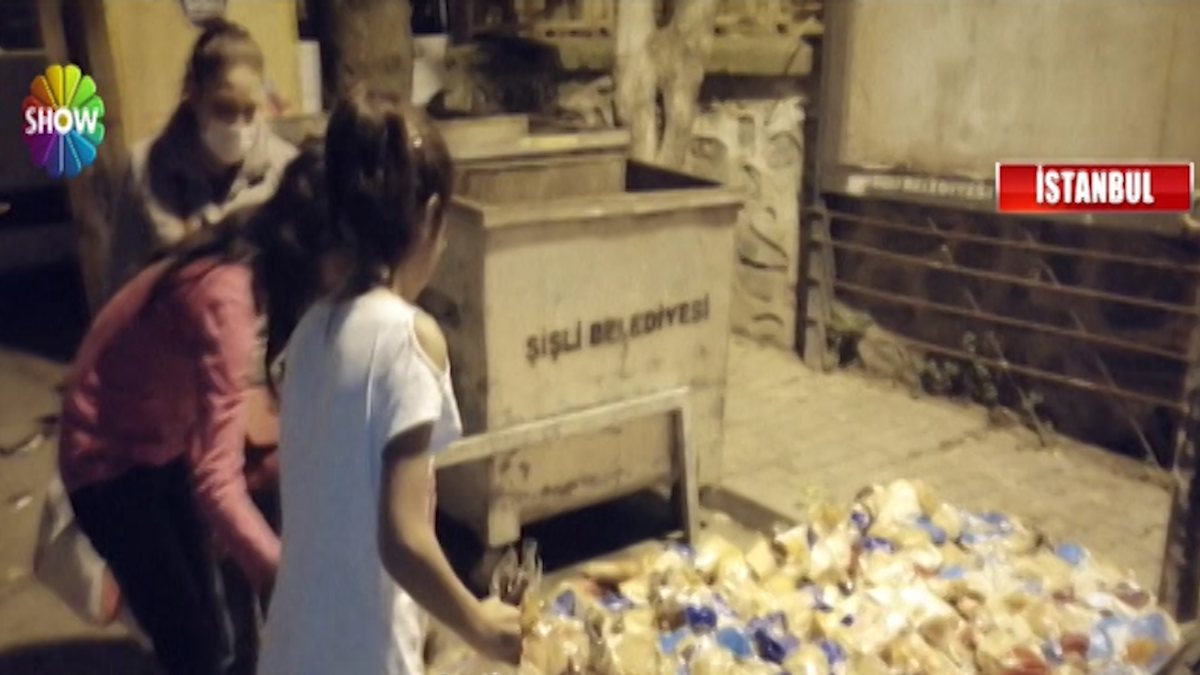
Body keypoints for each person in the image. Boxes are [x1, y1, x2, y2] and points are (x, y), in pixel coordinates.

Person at [258, 90, 522, 675]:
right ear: (430, 216)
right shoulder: (407, 338)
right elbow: (402, 538)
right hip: (358, 656)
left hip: (290, 646)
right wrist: (479, 625)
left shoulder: (311, 331)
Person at [58, 145, 331, 675]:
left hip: (157, 434)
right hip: (106, 460)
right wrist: (282, 575)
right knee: (192, 643)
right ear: (314, 249)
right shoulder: (227, 296)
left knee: (209, 620)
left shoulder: (243, 251)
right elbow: (216, 480)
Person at [103, 17, 296, 301]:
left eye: (249, 111)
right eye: (224, 108)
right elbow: (122, 290)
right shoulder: (144, 168)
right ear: (194, 94)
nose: (237, 125)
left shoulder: (284, 168)